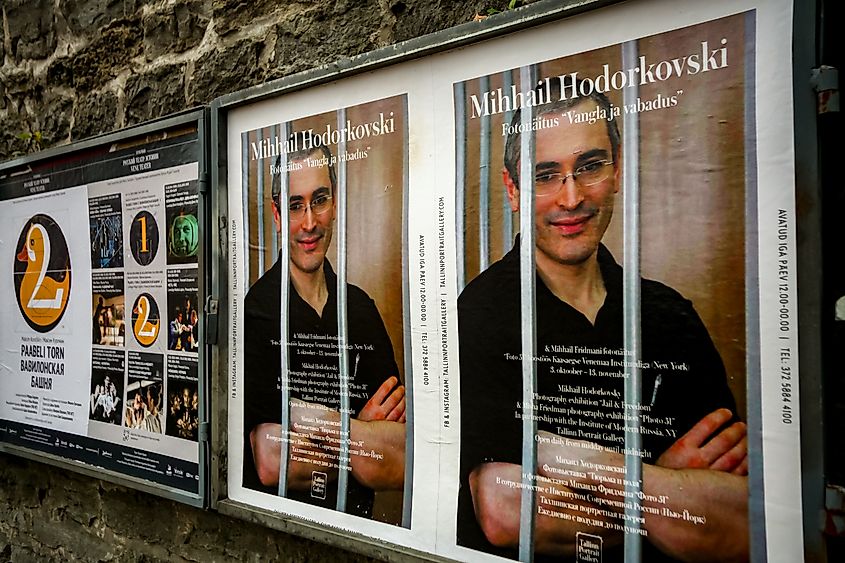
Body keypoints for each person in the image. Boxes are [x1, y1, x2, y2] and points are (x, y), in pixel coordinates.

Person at [457, 77, 748, 562]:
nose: (571, 199)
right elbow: (506, 512)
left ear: (617, 170)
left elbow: (739, 519)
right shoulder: (480, 313)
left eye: (590, 167)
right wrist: (667, 485)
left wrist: (572, 460)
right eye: (545, 175)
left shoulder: (671, 315)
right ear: (512, 189)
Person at [243, 133, 407, 519]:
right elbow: (271, 461)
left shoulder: (361, 311)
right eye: (295, 206)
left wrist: (313, 425)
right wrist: (363, 433)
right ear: (277, 215)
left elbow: (402, 456)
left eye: (319, 200)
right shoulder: (256, 313)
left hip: (356, 534)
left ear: (334, 203)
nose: (310, 222)